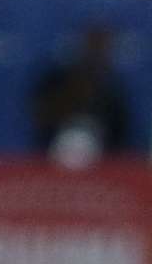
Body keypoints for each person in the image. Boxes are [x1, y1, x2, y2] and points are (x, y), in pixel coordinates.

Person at [30, 24, 132, 165]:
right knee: (74, 140)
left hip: (102, 158)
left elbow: (119, 130)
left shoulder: (113, 90)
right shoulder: (57, 80)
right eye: (93, 44)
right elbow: (40, 115)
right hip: (53, 147)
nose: (96, 51)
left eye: (102, 46)